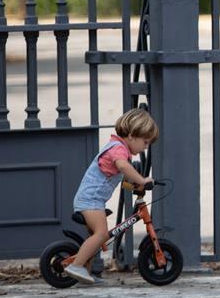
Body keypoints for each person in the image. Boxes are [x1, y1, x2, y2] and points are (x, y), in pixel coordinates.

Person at [66, 108, 159, 285]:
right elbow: (123, 167)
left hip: (92, 200)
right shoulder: (118, 150)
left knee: (96, 238)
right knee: (101, 234)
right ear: (132, 135)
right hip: (90, 201)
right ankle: (76, 266)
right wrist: (141, 178)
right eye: (145, 142)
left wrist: (134, 185)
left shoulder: (116, 147)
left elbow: (117, 179)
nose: (146, 148)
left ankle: (85, 272)